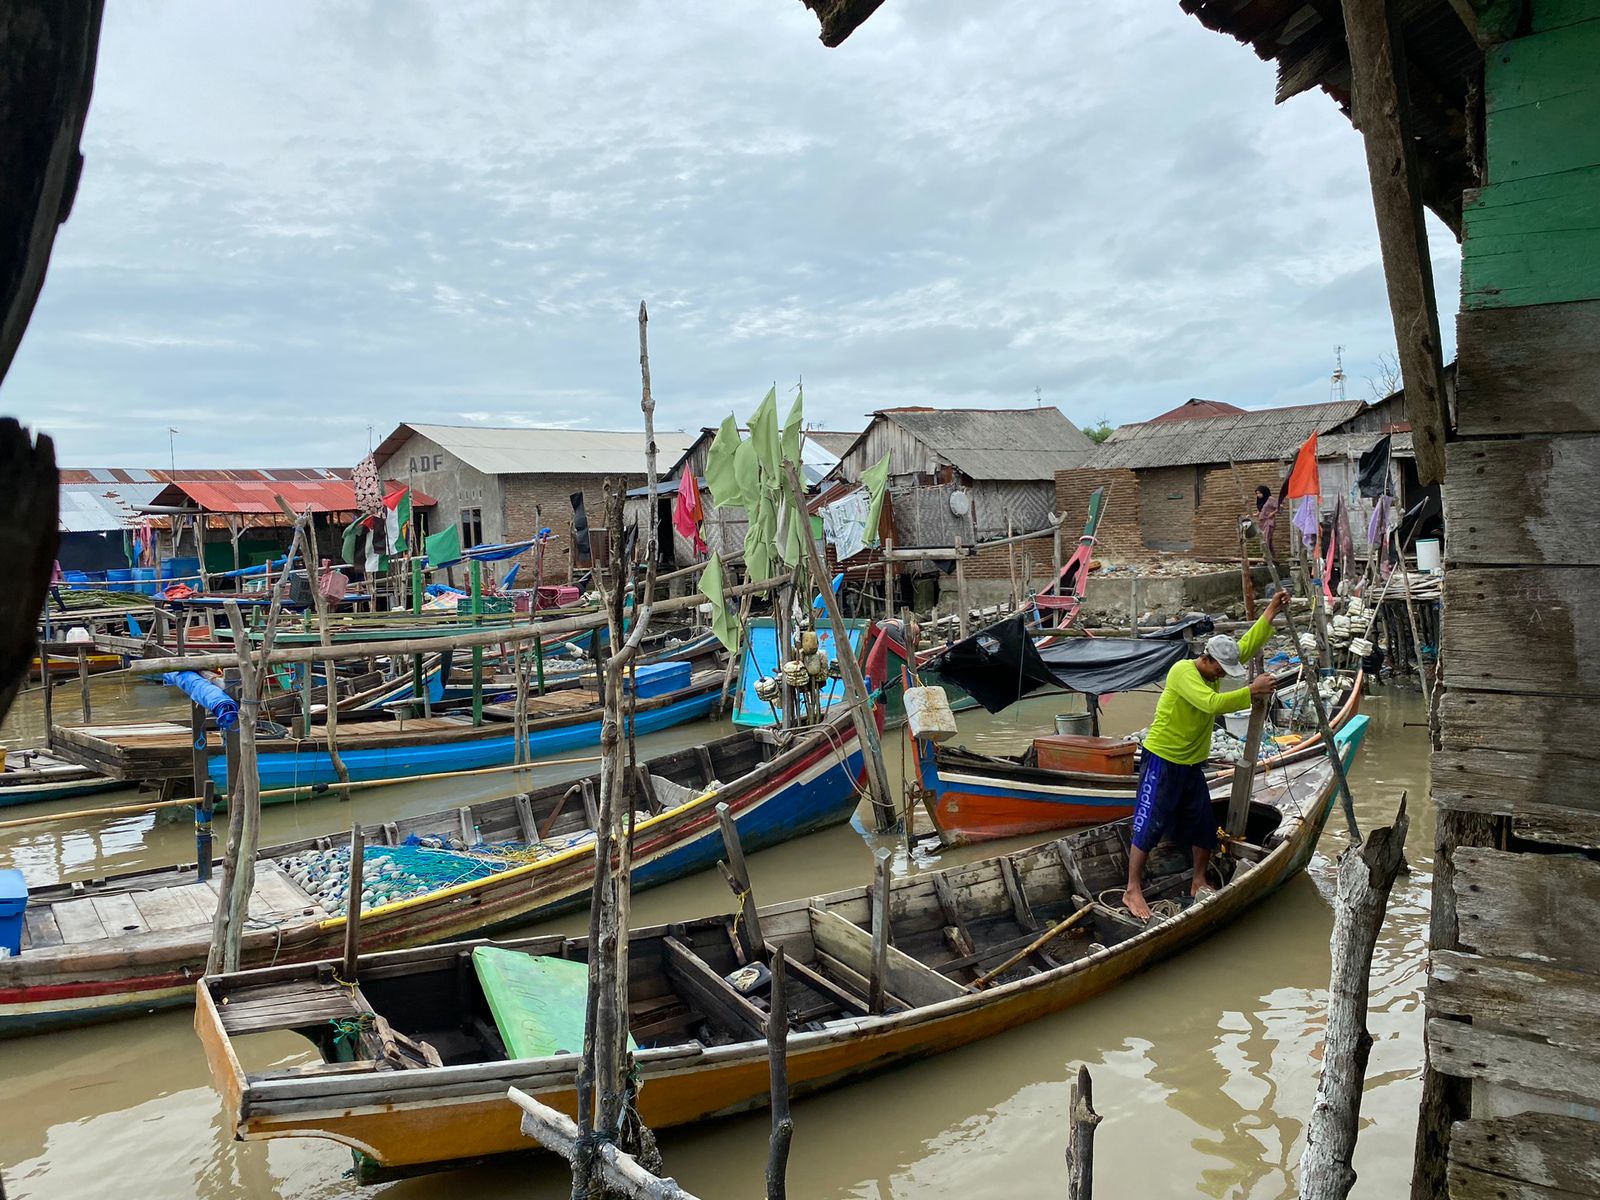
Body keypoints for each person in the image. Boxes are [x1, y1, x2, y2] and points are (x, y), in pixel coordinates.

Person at [1121, 588, 1289, 920]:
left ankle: (1199, 879)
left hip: (1191, 763)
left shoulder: (1215, 668)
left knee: (1204, 825)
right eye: (1220, 670)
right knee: (1149, 823)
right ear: (1207, 658)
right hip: (1163, 759)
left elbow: (1246, 646)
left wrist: (1271, 610)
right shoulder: (1183, 672)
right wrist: (1250, 691)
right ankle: (1132, 889)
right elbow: (1211, 704)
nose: (1222, 675)